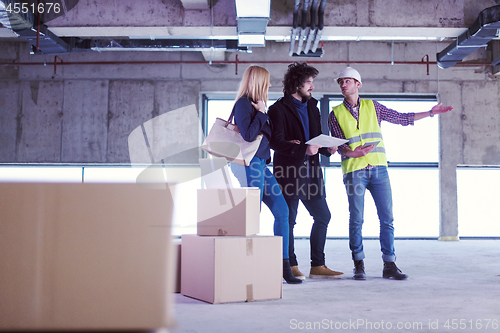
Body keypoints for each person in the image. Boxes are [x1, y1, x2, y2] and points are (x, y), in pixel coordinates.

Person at [328, 66, 453, 280]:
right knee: (356, 219)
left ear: (358, 84)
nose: (342, 85)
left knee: (387, 219)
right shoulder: (335, 114)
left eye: (347, 81)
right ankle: (359, 264)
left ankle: (389, 264)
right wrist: (353, 152)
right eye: (340, 82)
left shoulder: (373, 107)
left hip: (379, 170)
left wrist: (431, 113)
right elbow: (340, 146)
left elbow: (401, 118)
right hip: (354, 172)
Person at [267, 62, 344, 280]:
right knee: (289, 220)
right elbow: (276, 142)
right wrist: (303, 148)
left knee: (323, 216)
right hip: (289, 172)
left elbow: (317, 136)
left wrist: (328, 148)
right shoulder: (277, 109)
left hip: (312, 172)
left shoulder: (313, 106)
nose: (312, 86)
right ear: (297, 83)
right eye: (308, 82)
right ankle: (289, 264)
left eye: (312, 82)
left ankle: (317, 265)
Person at [230, 65, 302, 284]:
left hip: (261, 163)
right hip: (248, 163)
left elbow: (265, 140)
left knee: (283, 210)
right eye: (268, 81)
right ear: (259, 82)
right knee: (253, 214)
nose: (270, 85)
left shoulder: (258, 105)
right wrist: (261, 113)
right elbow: (249, 135)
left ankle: (284, 266)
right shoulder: (244, 104)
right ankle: (244, 264)